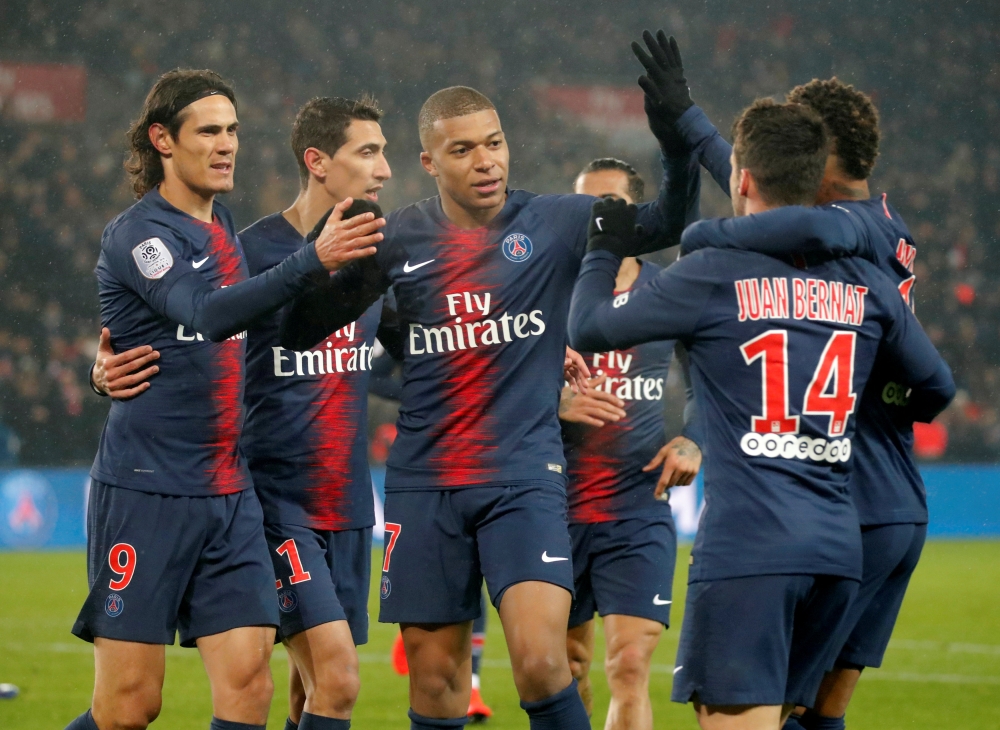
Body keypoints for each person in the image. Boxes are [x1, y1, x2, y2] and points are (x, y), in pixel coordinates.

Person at [279, 83, 699, 730]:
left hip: (523, 479)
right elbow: (301, 330)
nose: (486, 161)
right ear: (430, 162)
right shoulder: (399, 239)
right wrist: (319, 260)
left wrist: (676, 139)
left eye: (495, 144)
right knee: (439, 680)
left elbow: (665, 222)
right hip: (425, 486)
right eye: (464, 149)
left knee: (540, 662)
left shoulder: (557, 221)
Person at [567, 99, 955, 730]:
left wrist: (601, 251)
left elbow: (589, 325)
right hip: (835, 548)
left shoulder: (712, 273)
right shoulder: (863, 277)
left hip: (750, 545)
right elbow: (936, 386)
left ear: (741, 178)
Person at [68, 69, 383, 730]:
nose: (226, 144)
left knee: (247, 689)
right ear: (162, 140)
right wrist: (312, 260)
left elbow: (252, 325)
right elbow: (207, 312)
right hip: (147, 490)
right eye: (208, 131)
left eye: (233, 130)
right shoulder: (138, 235)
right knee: (130, 707)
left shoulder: (223, 226)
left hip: (229, 491)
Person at [239, 96, 398, 730]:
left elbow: (408, 359)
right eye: (368, 151)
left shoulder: (374, 253)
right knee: (338, 680)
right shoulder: (253, 251)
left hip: (349, 502)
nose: (384, 168)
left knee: (310, 693)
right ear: (317, 162)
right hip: (275, 501)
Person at [560, 157, 701, 730]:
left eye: (609, 207)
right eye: (585, 207)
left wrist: (695, 438)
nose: (595, 219)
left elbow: (706, 384)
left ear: (639, 218)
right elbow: (496, 378)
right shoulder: (548, 289)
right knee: (565, 668)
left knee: (628, 663)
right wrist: (553, 402)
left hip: (637, 507)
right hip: (551, 507)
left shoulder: (669, 291)